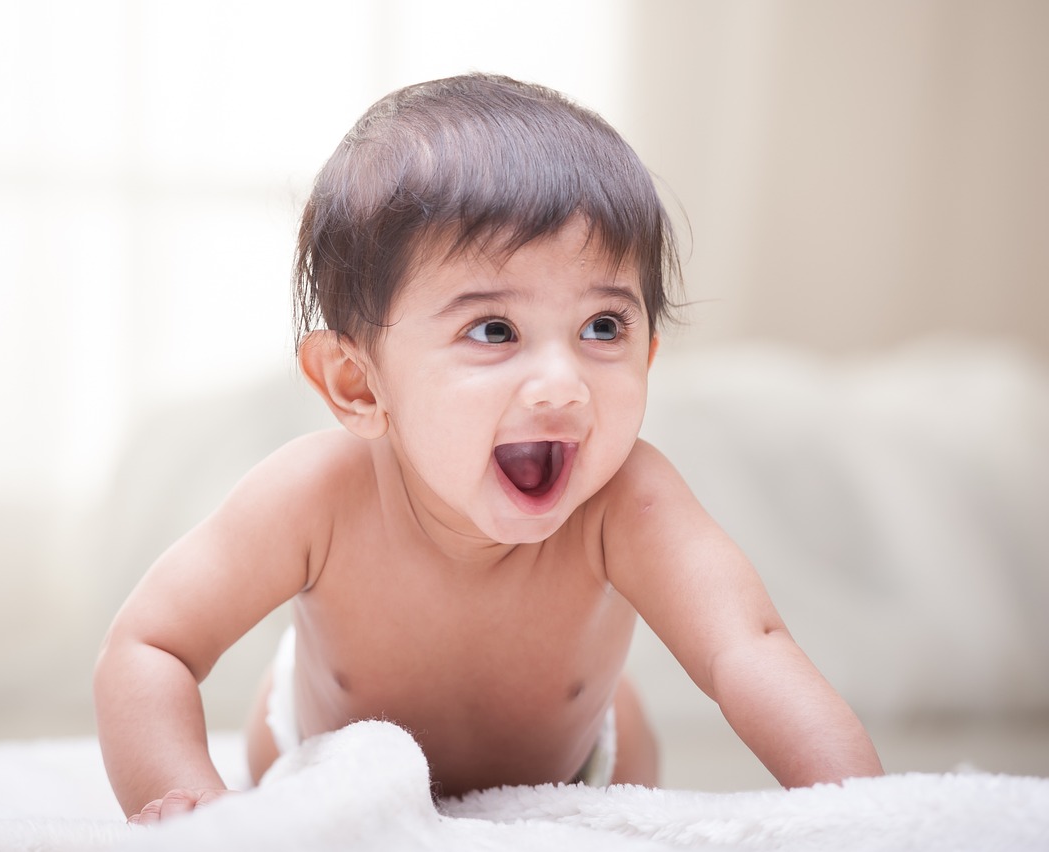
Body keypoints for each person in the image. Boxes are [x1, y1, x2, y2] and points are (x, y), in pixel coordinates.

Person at [93, 73, 883, 824]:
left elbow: (748, 649)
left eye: (603, 327)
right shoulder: (315, 497)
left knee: (630, 727)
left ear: (647, 352)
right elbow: (150, 645)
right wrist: (187, 798)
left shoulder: (630, 502)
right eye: (494, 330)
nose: (561, 383)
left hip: (582, 761)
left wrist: (865, 812)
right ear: (359, 386)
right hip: (316, 751)